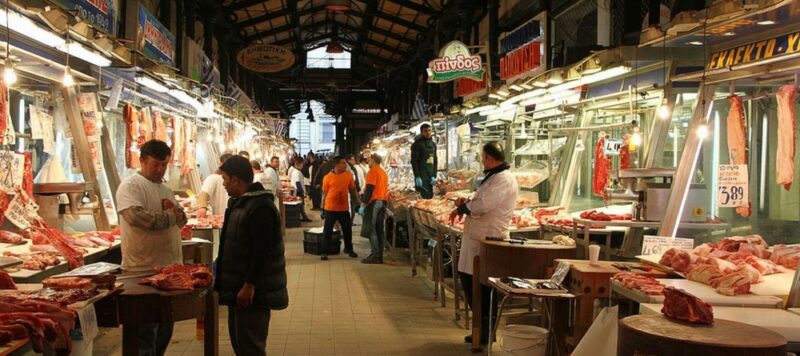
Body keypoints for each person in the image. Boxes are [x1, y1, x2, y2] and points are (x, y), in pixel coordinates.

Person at [116, 139, 187, 355]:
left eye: (164, 164)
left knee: (164, 328)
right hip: (142, 271)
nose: (160, 169)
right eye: (155, 164)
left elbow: (182, 218)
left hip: (169, 272)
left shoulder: (164, 188)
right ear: (142, 160)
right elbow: (137, 217)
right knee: (144, 333)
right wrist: (170, 216)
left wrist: (176, 214)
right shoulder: (131, 185)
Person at [215, 156, 288, 356]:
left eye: (225, 179)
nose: (224, 184)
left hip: (254, 293)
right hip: (238, 289)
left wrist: (249, 285)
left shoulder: (260, 207)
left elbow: (261, 252)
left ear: (236, 180)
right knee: (241, 345)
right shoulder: (240, 203)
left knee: (251, 347)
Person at [449, 142, 518, 345]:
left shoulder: (503, 179)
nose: (481, 160)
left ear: (490, 157)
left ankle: (486, 332)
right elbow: (480, 200)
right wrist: (467, 201)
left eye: (483, 156)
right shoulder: (494, 177)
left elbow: (484, 205)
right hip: (477, 238)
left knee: (483, 289)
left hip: (488, 239)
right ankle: (480, 329)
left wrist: (464, 208)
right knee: (470, 283)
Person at [320, 156, 361, 260]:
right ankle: (324, 251)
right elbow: (324, 194)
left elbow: (353, 191)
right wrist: (322, 208)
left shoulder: (348, 176)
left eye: (345, 163)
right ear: (336, 165)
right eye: (343, 163)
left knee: (347, 230)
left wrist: (358, 204)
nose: (345, 165)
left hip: (344, 208)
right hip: (330, 208)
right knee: (327, 231)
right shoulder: (327, 177)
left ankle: (349, 249)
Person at [359, 154, 389, 264]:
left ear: (373, 160)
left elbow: (369, 189)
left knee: (371, 228)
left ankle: (375, 254)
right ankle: (379, 255)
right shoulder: (383, 172)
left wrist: (363, 204)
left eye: (369, 160)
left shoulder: (373, 171)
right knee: (379, 229)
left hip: (374, 202)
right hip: (383, 202)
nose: (368, 162)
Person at [198, 153, 233, 218]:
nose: (224, 184)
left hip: (221, 220)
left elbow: (203, 195)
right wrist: (203, 207)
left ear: (221, 164)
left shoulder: (213, 178)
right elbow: (204, 195)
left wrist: (203, 207)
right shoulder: (235, 180)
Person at [411, 123, 437, 199]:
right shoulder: (417, 144)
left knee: (430, 196)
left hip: (430, 176)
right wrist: (417, 176)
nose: (428, 132)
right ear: (421, 132)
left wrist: (434, 175)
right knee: (422, 199)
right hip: (421, 176)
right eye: (425, 131)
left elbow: (435, 160)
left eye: (429, 130)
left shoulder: (433, 144)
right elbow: (413, 161)